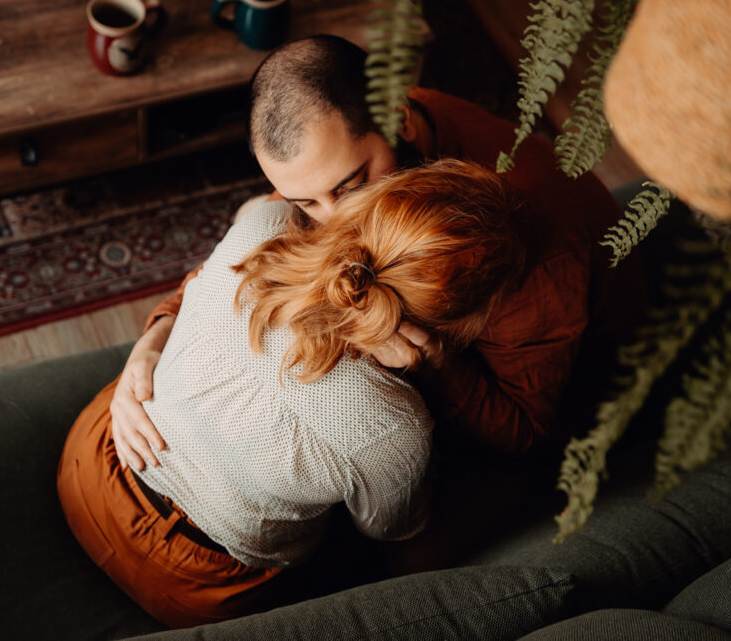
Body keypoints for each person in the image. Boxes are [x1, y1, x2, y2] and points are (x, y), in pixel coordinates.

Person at [111, 34, 646, 473]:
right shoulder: (335, 154)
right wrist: (157, 334)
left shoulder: (526, 238)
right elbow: (268, 238)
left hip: (573, 385)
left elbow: (526, 428)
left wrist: (438, 365)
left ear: (399, 121)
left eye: (349, 187)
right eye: (306, 201)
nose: (331, 219)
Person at [57, 159, 531, 626]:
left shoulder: (263, 228)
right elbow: (388, 529)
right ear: (457, 324)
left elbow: (253, 208)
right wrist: (431, 372)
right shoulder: (393, 429)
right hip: (194, 586)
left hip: (91, 460)